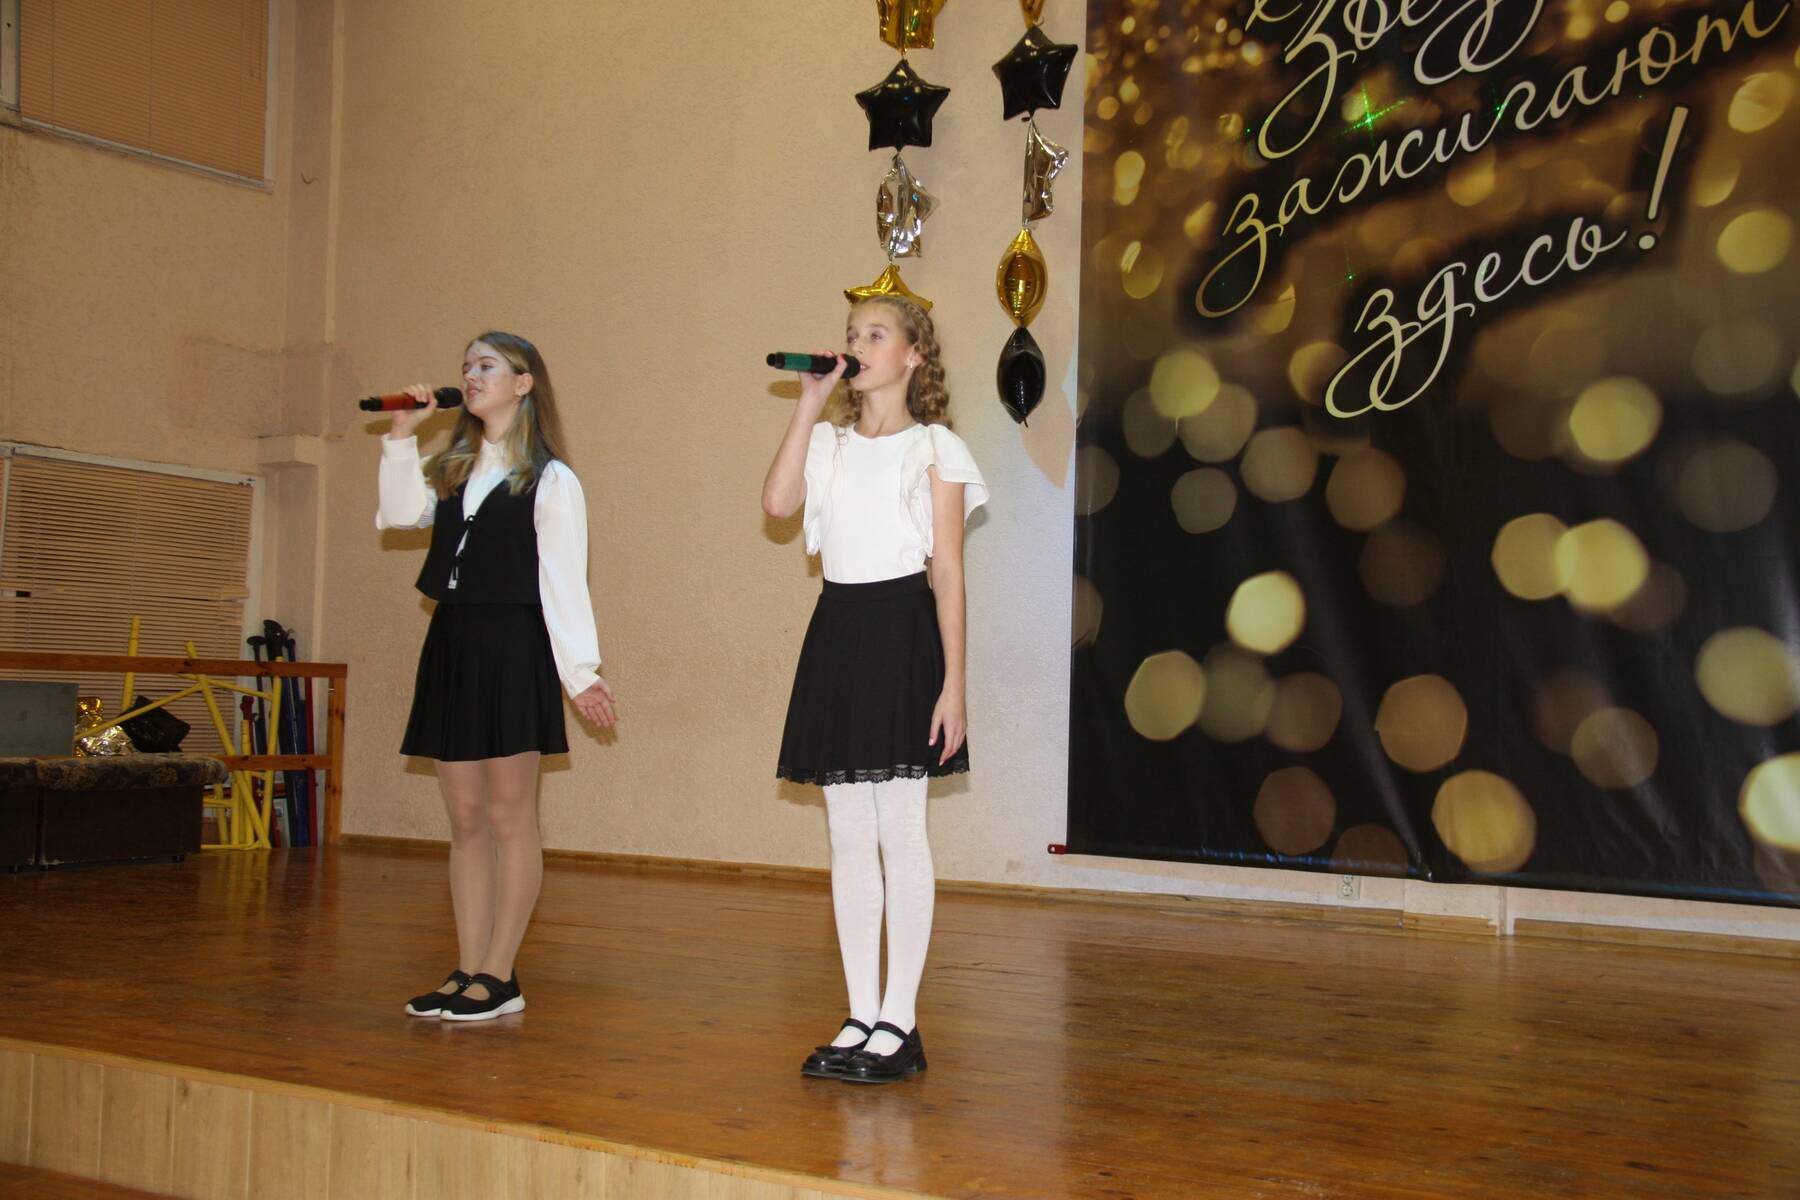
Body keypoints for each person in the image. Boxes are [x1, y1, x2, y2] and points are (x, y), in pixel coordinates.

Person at [761, 295, 987, 1082]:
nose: (858, 344)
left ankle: (901, 1020)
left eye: (875, 334)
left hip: (901, 632)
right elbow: (777, 504)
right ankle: (861, 1013)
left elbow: (948, 570)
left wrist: (955, 684)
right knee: (848, 834)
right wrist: (809, 402)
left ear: (913, 356)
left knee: (901, 830)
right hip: (839, 630)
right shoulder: (826, 441)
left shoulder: (935, 447)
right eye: (852, 334)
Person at [375, 331, 617, 1021]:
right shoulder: (453, 468)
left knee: (511, 816)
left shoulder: (551, 479)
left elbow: (562, 580)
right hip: (453, 642)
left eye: (487, 366)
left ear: (523, 382)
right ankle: (467, 966)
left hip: (515, 645)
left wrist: (580, 672)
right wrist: (401, 437)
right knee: (465, 820)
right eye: (466, 367)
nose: (471, 376)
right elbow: (398, 516)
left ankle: (500, 974)